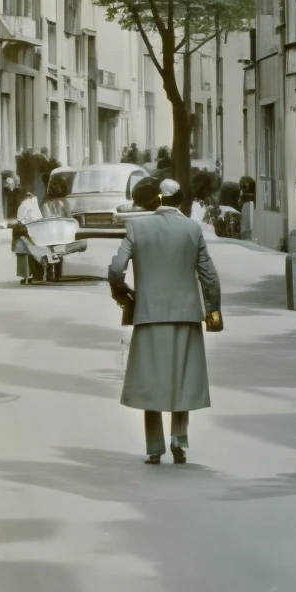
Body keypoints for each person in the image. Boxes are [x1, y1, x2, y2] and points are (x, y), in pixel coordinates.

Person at [109, 175, 223, 464]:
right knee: (180, 377)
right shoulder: (192, 229)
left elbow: (116, 268)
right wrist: (212, 310)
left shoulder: (137, 227)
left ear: (157, 199)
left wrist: (124, 295)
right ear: (180, 201)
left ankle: (155, 447)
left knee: (152, 380)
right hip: (186, 313)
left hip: (148, 314)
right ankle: (179, 440)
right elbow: (209, 276)